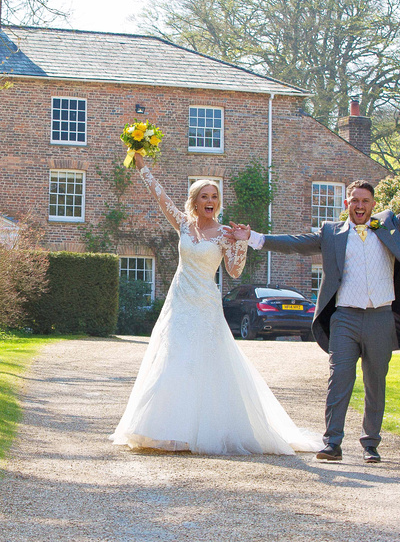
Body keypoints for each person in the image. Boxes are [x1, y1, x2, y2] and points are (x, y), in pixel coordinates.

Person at [231, 152, 400, 463]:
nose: (359, 205)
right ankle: (332, 443)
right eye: (354, 200)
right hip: (344, 318)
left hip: (381, 318)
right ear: (346, 204)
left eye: (365, 201)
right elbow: (296, 242)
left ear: (372, 204)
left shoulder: (389, 225)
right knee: (339, 379)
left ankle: (370, 445)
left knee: (375, 384)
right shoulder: (331, 233)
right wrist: (254, 238)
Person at [111, 153, 321, 455]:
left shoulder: (225, 233)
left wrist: (240, 242)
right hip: (180, 300)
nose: (210, 201)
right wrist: (141, 165)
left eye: (215, 197)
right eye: (204, 196)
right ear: (195, 201)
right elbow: (161, 198)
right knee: (174, 358)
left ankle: (205, 430)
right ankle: (168, 430)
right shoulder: (183, 224)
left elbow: (234, 271)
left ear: (217, 203)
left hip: (206, 303)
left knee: (206, 361)